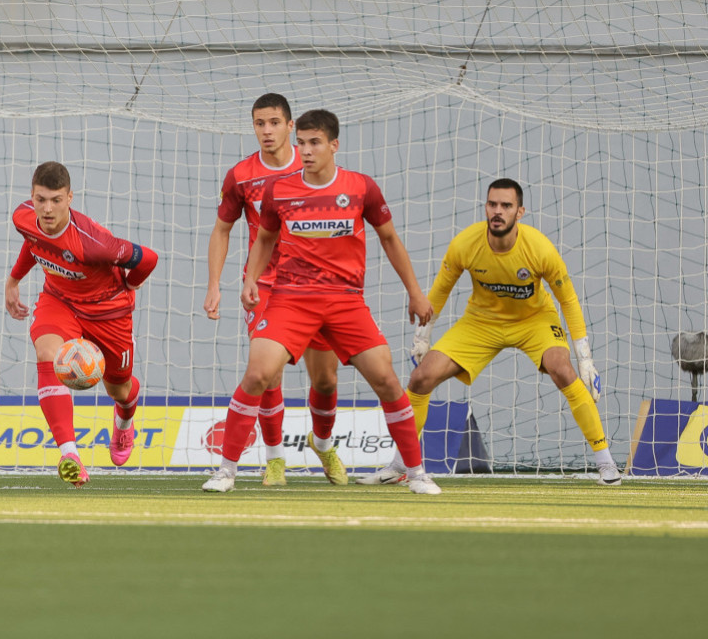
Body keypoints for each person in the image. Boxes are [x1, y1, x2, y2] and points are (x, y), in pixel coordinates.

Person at [201, 109, 440, 494]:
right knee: (259, 374)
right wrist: (248, 281)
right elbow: (264, 239)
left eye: (314, 143)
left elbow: (390, 239)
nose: (307, 151)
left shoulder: (362, 188)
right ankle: (227, 471)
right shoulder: (280, 191)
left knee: (383, 378)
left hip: (345, 302)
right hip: (291, 299)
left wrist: (415, 291)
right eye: (302, 144)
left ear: (334, 145)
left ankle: (415, 473)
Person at [360, 178, 621, 486]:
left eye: (506, 206)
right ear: (486, 207)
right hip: (481, 322)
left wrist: (585, 359)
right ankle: (402, 464)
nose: (498, 211)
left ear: (519, 212)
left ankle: (606, 462)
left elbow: (569, 300)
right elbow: (440, 291)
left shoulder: (540, 249)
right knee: (420, 378)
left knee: (562, 370)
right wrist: (423, 337)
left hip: (534, 320)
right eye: (492, 204)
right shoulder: (465, 244)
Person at [205, 93, 347, 487]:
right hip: (265, 285)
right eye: (258, 123)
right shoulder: (241, 175)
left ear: (290, 127)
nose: (266, 131)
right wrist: (215, 283)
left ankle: (322, 443)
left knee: (326, 380)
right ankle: (275, 460)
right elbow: (222, 229)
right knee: (266, 374)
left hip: (316, 286)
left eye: (273, 123)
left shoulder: (316, 170)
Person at [4, 161, 159, 487]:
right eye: (40, 199)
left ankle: (125, 417)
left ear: (70, 198)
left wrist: (130, 285)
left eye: (56, 200)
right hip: (60, 302)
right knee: (48, 353)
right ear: (31, 197)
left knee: (119, 387)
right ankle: (69, 454)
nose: (47, 209)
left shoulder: (94, 244)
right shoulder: (23, 217)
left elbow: (148, 259)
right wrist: (13, 281)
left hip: (109, 314)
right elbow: (35, 243)